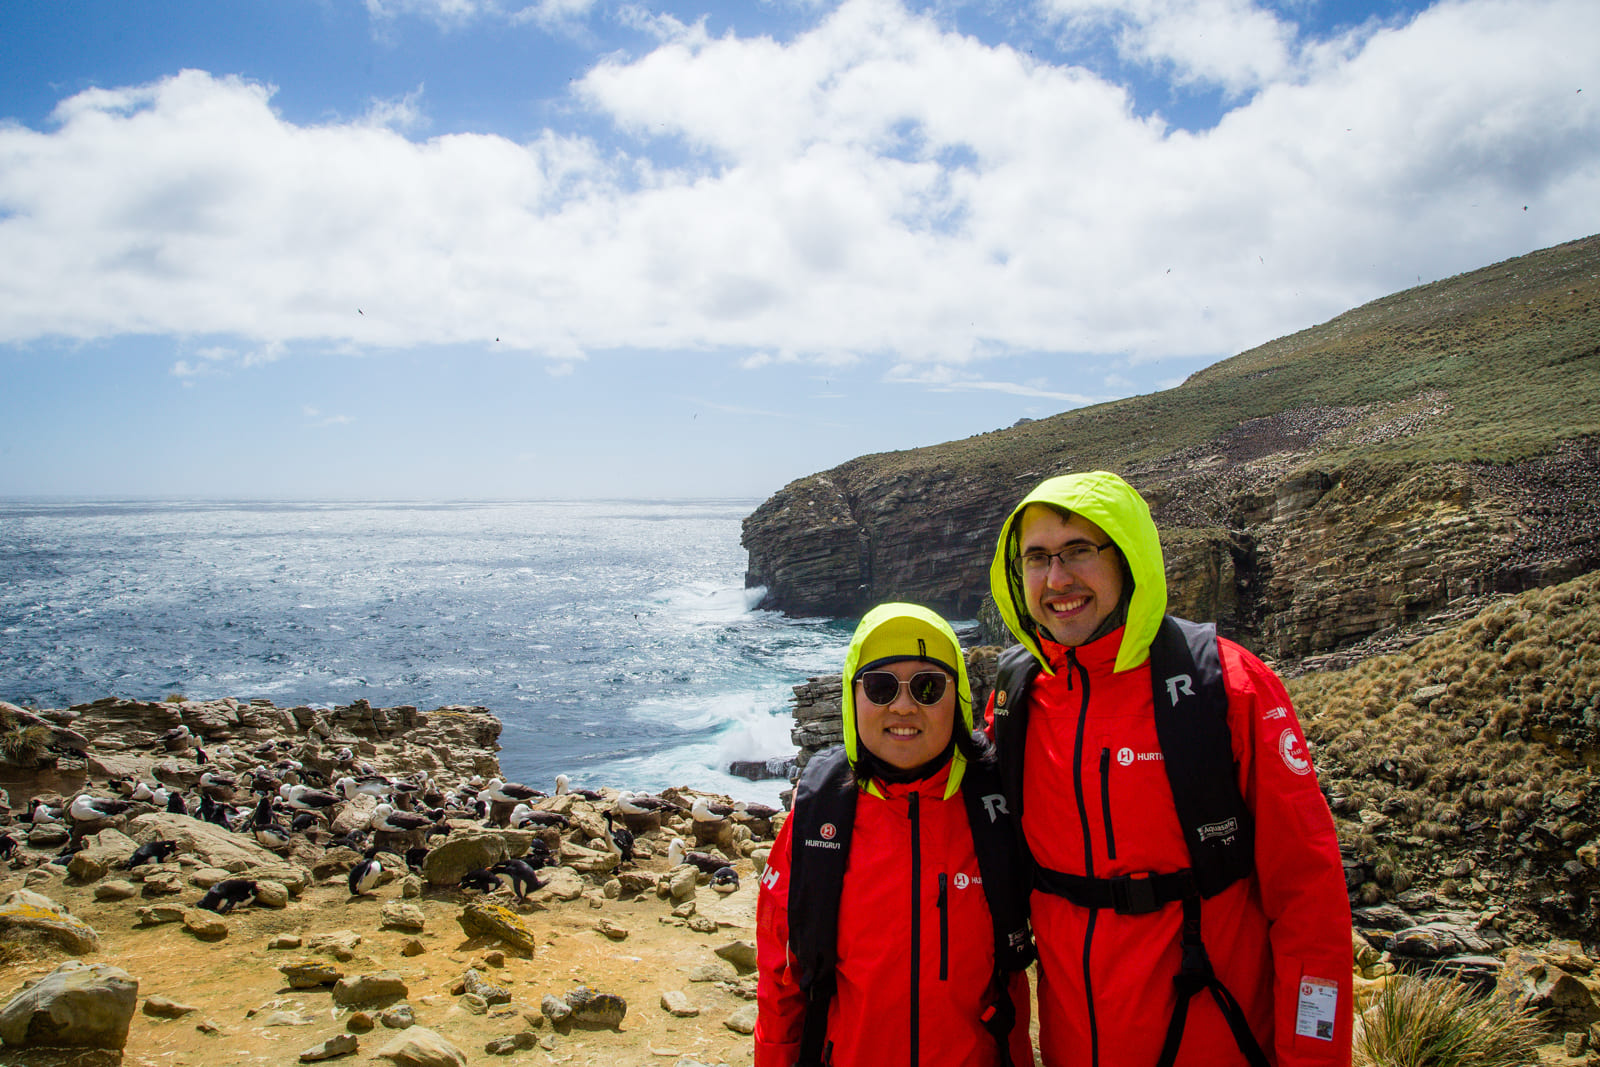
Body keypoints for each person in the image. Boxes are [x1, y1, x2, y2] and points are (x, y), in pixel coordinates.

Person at [985, 471, 1352, 1067]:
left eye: (1080, 550)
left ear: (1129, 559)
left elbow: (1311, 900)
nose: (1057, 579)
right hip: (1073, 1046)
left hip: (1215, 1036)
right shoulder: (1017, 696)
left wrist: (1314, 1055)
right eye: (1037, 557)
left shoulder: (1228, 686)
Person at [755, 603, 1035, 1067]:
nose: (903, 706)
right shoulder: (820, 813)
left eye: (929, 687)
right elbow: (781, 975)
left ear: (959, 698)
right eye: (882, 687)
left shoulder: (999, 803)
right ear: (853, 697)